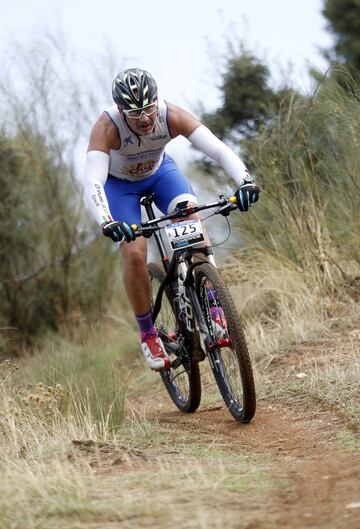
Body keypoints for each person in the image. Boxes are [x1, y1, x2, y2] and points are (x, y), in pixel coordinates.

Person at [82, 67, 260, 371]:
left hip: (160, 174)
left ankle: (214, 308)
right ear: (122, 112)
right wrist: (107, 220)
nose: (145, 118)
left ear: (157, 101)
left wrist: (245, 180)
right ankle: (148, 334)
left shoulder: (171, 115)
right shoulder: (107, 127)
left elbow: (218, 150)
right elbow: (93, 181)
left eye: (149, 108)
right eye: (135, 113)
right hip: (120, 187)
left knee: (190, 218)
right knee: (134, 251)